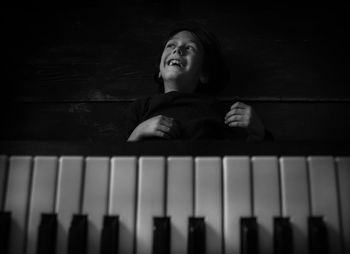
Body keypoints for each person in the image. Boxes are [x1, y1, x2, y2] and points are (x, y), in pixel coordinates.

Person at [126, 22, 270, 142]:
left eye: (189, 48)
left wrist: (259, 132)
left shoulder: (223, 113)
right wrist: (139, 131)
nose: (177, 50)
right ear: (159, 69)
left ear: (204, 73)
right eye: (171, 45)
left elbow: (250, 162)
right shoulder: (141, 107)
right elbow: (118, 165)